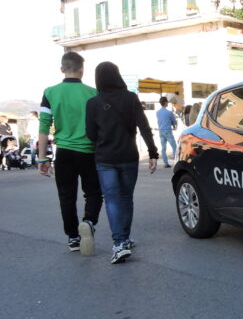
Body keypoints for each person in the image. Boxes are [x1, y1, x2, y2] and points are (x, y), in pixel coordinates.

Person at [85, 62, 159, 264]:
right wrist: (153, 153)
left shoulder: (93, 103)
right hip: (128, 156)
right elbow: (144, 127)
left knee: (112, 199)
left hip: (105, 158)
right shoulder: (131, 98)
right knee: (126, 197)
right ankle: (123, 239)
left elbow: (91, 134)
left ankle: (120, 242)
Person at [37, 51, 102, 255]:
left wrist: (42, 158)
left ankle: (73, 237)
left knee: (66, 196)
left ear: (62, 69)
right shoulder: (94, 93)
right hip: (89, 151)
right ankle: (89, 222)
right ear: (82, 70)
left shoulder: (50, 92)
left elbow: (44, 128)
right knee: (93, 192)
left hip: (63, 151)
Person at [156, 96, 177, 168]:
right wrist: (174, 125)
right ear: (165, 102)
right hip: (167, 130)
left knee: (163, 148)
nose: (168, 103)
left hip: (161, 131)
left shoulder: (158, 112)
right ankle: (176, 162)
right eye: (167, 101)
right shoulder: (169, 112)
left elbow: (159, 121)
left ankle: (165, 163)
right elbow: (174, 121)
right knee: (174, 147)